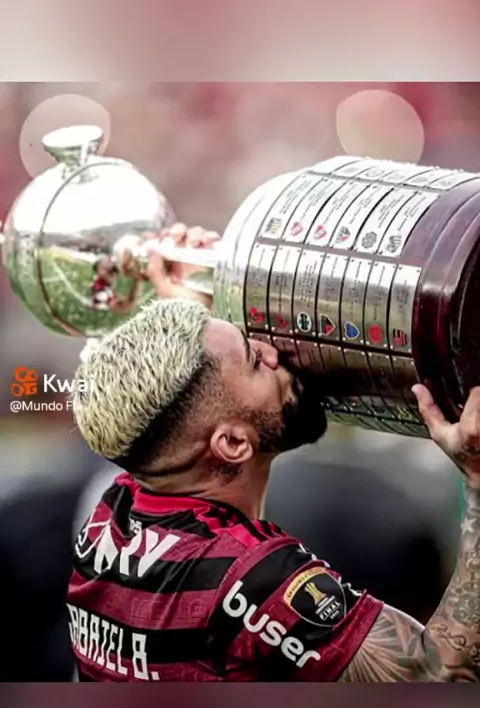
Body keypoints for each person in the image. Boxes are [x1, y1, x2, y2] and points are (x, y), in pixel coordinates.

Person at [66, 225, 480, 681]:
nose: (272, 351)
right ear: (232, 444)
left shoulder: (112, 517)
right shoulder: (248, 580)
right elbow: (438, 676)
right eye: (253, 359)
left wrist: (200, 319)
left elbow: (165, 408)